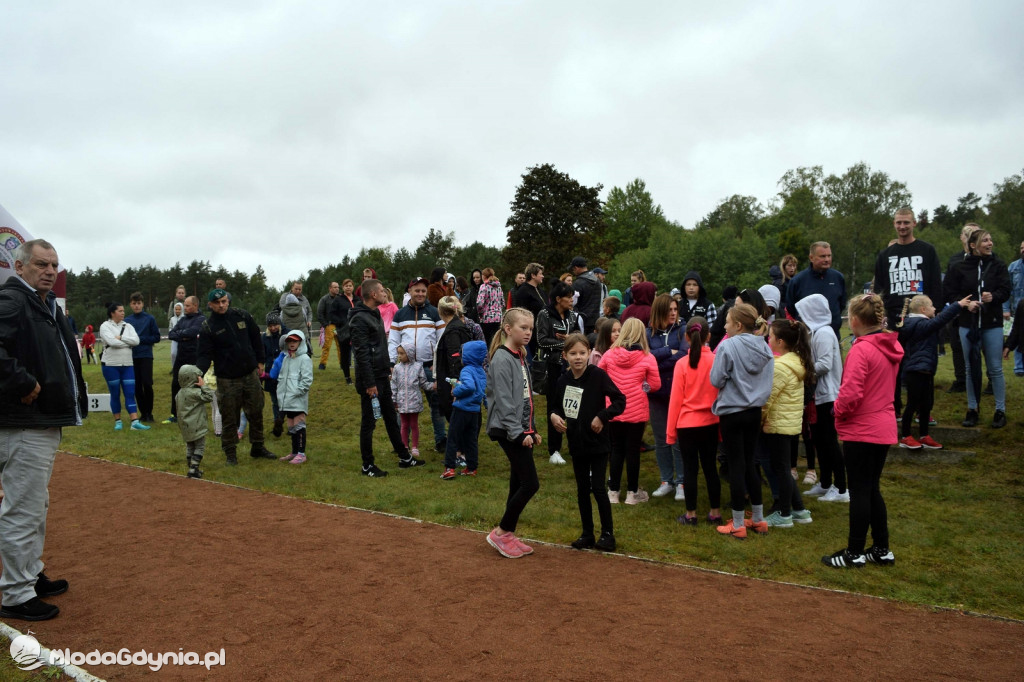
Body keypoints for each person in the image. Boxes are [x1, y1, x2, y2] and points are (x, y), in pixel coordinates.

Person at [0, 238, 87, 622]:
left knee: (35, 503)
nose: (50, 271)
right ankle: (16, 594)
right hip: (24, 422)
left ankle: (29, 576)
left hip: (38, 420)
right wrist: (22, 383)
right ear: (19, 267)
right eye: (40, 264)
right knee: (23, 507)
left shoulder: (41, 303)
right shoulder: (15, 300)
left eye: (54, 265)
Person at [822, 294, 903, 569]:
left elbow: (852, 392)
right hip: (882, 424)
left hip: (862, 428)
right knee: (871, 489)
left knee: (860, 491)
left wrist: (838, 409)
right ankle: (881, 548)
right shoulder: (887, 346)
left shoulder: (862, 349)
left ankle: (854, 551)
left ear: (854, 320)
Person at [550, 333, 625, 551]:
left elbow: (620, 400)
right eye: (573, 354)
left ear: (590, 353)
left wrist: (602, 416)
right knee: (582, 489)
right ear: (565, 356)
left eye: (582, 353)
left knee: (598, 488)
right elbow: (555, 407)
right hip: (577, 442)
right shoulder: (562, 381)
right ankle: (587, 533)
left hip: (598, 443)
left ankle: (608, 534)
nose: (578, 358)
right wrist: (554, 416)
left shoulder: (598, 375)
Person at [710, 303, 773, 539]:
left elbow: (716, 379)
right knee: (749, 463)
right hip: (754, 411)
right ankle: (758, 519)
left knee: (736, 465)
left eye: (726, 321)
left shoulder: (727, 346)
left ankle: (737, 523)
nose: (724, 326)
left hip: (733, 412)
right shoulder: (765, 347)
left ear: (737, 325)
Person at [351, 279, 426, 476]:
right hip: (371, 381)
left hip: (383, 376)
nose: (385, 293)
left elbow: (379, 347)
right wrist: (369, 383)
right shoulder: (359, 319)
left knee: (391, 419)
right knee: (369, 422)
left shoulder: (374, 313)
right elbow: (361, 354)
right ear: (373, 295)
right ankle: (367, 465)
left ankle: (404, 456)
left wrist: (387, 368)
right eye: (382, 291)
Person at [485, 308, 541, 559]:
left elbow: (525, 398)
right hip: (506, 429)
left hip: (518, 428)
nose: (528, 332)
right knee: (530, 483)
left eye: (530, 328)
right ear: (508, 329)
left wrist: (533, 429)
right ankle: (502, 531)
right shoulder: (502, 358)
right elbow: (506, 402)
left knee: (518, 482)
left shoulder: (520, 356)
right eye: (523, 328)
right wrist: (518, 433)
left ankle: (507, 534)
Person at [196, 288, 275, 464]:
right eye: (217, 303)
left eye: (224, 301)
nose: (221, 305)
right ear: (210, 305)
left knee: (256, 411)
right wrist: (198, 374)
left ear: (228, 300)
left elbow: (256, 338)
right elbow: (203, 355)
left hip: (250, 374)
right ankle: (230, 453)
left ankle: (257, 446)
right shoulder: (208, 327)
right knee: (229, 417)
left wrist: (260, 361)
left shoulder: (242, 315)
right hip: (227, 379)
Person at [943, 228, 1010, 428]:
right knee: (971, 367)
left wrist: (994, 297)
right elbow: (949, 293)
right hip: (967, 325)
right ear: (973, 245)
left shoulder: (999, 266)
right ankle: (972, 409)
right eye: (985, 241)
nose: (990, 244)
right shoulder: (959, 267)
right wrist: (965, 303)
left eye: (991, 240)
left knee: (995, 368)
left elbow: (1006, 290)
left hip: (993, 324)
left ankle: (1000, 410)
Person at [599, 317, 660, 505]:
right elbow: (656, 384)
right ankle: (632, 494)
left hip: (614, 409)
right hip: (637, 411)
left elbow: (599, 378)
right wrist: (643, 387)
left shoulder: (609, 355)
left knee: (616, 449)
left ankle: (613, 492)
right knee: (633, 451)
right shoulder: (647, 357)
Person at [896, 294, 970, 449]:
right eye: (932, 306)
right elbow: (940, 321)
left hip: (926, 370)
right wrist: (957, 305)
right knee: (913, 403)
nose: (935, 308)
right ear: (923, 309)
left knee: (926, 404)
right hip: (915, 370)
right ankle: (906, 436)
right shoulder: (918, 324)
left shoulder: (917, 323)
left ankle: (924, 435)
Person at [667, 317, 722, 526]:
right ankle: (715, 512)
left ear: (686, 337)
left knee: (690, 469)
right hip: (710, 422)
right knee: (710, 468)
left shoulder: (682, 364)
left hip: (687, 425)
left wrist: (670, 432)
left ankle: (691, 514)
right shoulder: (716, 360)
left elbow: (675, 401)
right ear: (709, 336)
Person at [762, 320, 815, 528]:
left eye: (771, 336)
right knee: (783, 467)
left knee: (781, 469)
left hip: (778, 424)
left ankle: (784, 515)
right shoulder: (795, 362)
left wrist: (759, 419)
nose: (768, 339)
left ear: (780, 342)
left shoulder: (781, 366)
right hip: (789, 423)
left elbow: (768, 399)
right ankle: (800, 510)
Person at [796, 294, 848, 503]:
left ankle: (842, 487)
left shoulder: (824, 333)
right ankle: (826, 482)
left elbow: (824, 364)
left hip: (828, 394)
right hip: (818, 395)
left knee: (829, 442)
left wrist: (802, 372)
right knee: (820, 441)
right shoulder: (816, 333)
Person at [389, 277, 447, 451]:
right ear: (410, 292)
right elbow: (393, 341)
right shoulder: (399, 314)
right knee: (402, 406)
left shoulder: (435, 313)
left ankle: (440, 440)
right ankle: (401, 443)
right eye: (417, 290)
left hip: (428, 367)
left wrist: (437, 366)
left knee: (436, 405)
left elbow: (441, 340)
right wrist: (392, 362)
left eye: (423, 291)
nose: (420, 294)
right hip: (405, 369)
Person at [646, 293, 687, 501]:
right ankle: (666, 480)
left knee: (678, 440)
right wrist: (666, 351)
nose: (673, 313)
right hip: (656, 393)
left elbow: (683, 355)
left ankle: (681, 482)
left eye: (675, 309)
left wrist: (661, 359)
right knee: (661, 439)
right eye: (669, 309)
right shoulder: (648, 333)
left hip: (679, 393)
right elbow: (647, 358)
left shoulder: (682, 330)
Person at [536, 281, 581, 465]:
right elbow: (541, 340)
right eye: (568, 297)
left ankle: (574, 444)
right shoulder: (545, 314)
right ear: (557, 299)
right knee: (554, 406)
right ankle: (554, 450)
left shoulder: (572, 315)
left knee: (573, 404)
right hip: (553, 367)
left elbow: (577, 334)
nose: (572, 300)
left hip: (572, 367)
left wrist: (571, 340)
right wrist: (566, 343)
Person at [441, 340, 488, 479]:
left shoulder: (466, 370)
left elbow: (469, 387)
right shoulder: (481, 371)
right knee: (471, 440)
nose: (460, 359)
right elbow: (481, 390)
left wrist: (456, 391)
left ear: (468, 356)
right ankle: (471, 468)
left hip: (462, 409)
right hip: (475, 410)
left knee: (453, 438)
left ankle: (449, 468)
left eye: (462, 356)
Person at [942, 224, 981, 393]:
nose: (970, 236)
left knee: (983, 346)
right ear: (962, 237)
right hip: (958, 308)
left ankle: (989, 381)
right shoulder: (955, 260)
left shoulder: (987, 259)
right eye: (968, 234)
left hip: (980, 309)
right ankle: (961, 379)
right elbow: (948, 286)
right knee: (957, 345)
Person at [99, 302, 149, 431]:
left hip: (127, 365)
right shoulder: (105, 326)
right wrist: (128, 343)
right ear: (112, 313)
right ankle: (118, 421)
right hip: (110, 365)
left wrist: (121, 337)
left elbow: (137, 341)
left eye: (123, 310)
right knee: (115, 393)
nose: (123, 313)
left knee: (130, 393)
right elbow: (111, 342)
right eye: (120, 311)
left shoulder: (128, 326)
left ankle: (134, 421)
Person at [785, 241, 847, 337]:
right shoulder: (798, 281)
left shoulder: (838, 278)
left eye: (829, 256)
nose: (827, 259)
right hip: (806, 338)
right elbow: (791, 307)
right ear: (811, 257)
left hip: (833, 335)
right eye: (822, 256)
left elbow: (841, 304)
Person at [274, 330, 313, 464]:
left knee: (299, 426)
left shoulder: (305, 359)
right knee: (291, 427)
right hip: (286, 400)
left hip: (297, 399)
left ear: (300, 342)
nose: (292, 344)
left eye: (295, 341)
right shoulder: (286, 358)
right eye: (290, 341)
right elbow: (281, 378)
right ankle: (294, 451)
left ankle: (301, 453)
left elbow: (306, 380)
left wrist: (297, 392)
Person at [164, 296, 205, 424]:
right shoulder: (182, 320)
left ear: (195, 306)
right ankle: (174, 413)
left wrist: (181, 335)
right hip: (180, 357)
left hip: (194, 357)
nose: (185, 308)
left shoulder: (201, 319)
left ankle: (192, 414)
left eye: (187, 306)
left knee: (193, 385)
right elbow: (171, 334)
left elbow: (193, 332)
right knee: (175, 384)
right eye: (185, 305)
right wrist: (183, 336)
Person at [434, 296, 474, 423]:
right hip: (456, 379)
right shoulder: (456, 326)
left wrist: (455, 383)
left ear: (440, 311)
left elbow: (455, 357)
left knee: (456, 422)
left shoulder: (453, 330)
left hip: (453, 383)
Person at [125, 292, 160, 423]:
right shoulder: (127, 321)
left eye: (139, 303)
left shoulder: (150, 319)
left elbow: (156, 337)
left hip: (146, 355)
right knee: (136, 386)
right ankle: (143, 413)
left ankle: (149, 413)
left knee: (147, 384)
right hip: (132, 357)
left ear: (143, 304)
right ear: (130, 305)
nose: (137, 306)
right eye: (134, 304)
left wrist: (140, 339)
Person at [391, 345, 431, 458]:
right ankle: (404, 447)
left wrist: (433, 386)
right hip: (402, 401)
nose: (399, 356)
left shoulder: (418, 367)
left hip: (414, 400)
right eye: (398, 353)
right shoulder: (397, 368)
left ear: (409, 353)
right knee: (404, 424)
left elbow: (423, 383)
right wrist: (393, 399)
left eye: (402, 353)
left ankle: (414, 447)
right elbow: (393, 385)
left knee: (414, 424)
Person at [175, 364, 214, 479]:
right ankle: (193, 469)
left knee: (190, 446)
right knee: (199, 446)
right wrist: (203, 385)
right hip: (196, 425)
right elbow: (209, 397)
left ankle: (191, 466)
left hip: (185, 425)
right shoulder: (195, 393)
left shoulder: (179, 394)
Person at [261, 312, 286, 437]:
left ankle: (290, 423)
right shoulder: (265, 337)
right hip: (270, 374)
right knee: (275, 401)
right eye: (270, 325)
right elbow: (261, 354)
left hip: (285, 372)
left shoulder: (286, 335)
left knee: (286, 401)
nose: (273, 328)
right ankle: (278, 424)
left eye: (275, 325)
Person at [328, 279, 356, 384]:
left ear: (353, 287)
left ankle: (360, 374)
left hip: (357, 330)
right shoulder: (338, 300)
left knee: (359, 353)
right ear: (343, 288)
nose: (348, 287)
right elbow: (331, 314)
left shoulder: (358, 300)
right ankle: (347, 377)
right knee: (345, 354)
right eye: (346, 286)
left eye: (350, 285)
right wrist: (341, 322)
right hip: (344, 331)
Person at [1003, 240, 1024, 377]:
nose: (1023, 250)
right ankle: (1019, 367)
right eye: (1022, 247)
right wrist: (1005, 308)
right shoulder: (1013, 267)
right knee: (1018, 334)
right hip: (1018, 308)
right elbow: (1007, 290)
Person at [570, 257, 603, 334]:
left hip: (582, 320)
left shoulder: (578, 283)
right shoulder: (597, 281)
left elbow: (572, 303)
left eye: (573, 269)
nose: (573, 271)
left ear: (576, 268)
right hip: (595, 320)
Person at [316, 281, 341, 371]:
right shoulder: (324, 299)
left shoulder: (341, 298)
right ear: (330, 288)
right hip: (329, 325)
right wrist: (325, 325)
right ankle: (322, 364)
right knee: (326, 346)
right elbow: (320, 313)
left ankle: (342, 364)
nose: (337, 289)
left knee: (340, 346)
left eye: (338, 287)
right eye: (335, 287)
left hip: (339, 326)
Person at [476, 268, 505, 343]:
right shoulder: (499, 287)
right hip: (498, 318)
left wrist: (481, 314)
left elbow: (479, 304)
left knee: (487, 341)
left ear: (484, 276)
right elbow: (503, 303)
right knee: (496, 341)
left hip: (486, 318)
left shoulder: (484, 286)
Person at [169, 301, 184, 367]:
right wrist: (172, 334)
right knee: (173, 354)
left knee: (182, 354)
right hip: (174, 339)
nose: (177, 311)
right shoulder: (172, 319)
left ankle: (182, 368)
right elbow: (170, 328)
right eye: (176, 309)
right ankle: (174, 367)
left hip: (182, 339)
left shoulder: (184, 318)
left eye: (179, 309)